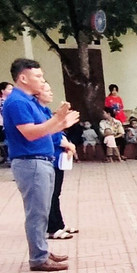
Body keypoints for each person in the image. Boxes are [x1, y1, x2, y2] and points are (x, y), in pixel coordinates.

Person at [1, 58, 79, 272]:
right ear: (23, 78)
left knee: (42, 210)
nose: (42, 80)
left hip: (41, 160)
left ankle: (42, 251)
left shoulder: (29, 101)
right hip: (31, 162)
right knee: (37, 212)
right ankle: (38, 257)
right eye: (37, 76)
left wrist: (61, 123)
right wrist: (58, 121)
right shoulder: (18, 102)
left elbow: (44, 130)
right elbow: (31, 133)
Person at [38, 84, 78, 240]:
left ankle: (59, 224)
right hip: (48, 158)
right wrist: (67, 145)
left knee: (56, 193)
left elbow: (59, 132)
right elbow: (49, 134)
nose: (51, 93)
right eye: (47, 90)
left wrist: (68, 145)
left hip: (57, 158)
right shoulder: (39, 112)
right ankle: (51, 228)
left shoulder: (46, 111)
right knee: (50, 195)